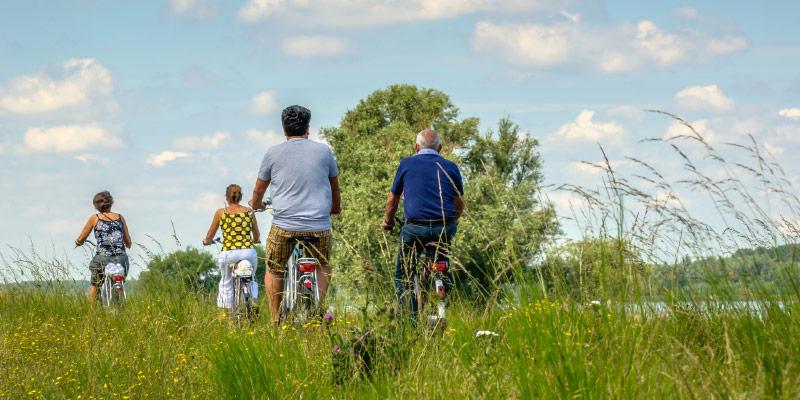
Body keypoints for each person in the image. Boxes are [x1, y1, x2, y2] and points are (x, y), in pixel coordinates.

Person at [249, 105, 341, 323]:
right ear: (307, 128)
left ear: (284, 130)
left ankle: (274, 320)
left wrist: (257, 204)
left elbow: (258, 189)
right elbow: (334, 186)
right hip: (319, 225)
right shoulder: (324, 151)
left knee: (274, 268)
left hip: (285, 226)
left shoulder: (272, 153)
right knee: (323, 264)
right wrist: (335, 208)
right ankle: (319, 308)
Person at [381, 129, 464, 314]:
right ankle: (442, 294)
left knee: (404, 274)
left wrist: (388, 221)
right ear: (440, 148)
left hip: (414, 228)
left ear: (416, 147)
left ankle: (409, 320)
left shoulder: (406, 164)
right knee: (441, 264)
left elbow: (392, 200)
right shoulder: (450, 167)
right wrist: (453, 223)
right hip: (443, 227)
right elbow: (459, 203)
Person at [203, 184, 261, 310]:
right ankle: (252, 299)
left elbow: (210, 235)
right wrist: (256, 240)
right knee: (252, 277)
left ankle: (228, 312)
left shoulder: (221, 213)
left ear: (227, 197)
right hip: (248, 252)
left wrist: (207, 241)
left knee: (226, 281)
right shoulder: (249, 212)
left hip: (229, 254)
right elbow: (256, 234)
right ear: (241, 197)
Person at [74, 191, 132, 307]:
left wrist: (78, 242)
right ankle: (120, 304)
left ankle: (93, 312)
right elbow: (128, 242)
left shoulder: (95, 218)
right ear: (111, 203)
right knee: (119, 279)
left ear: (96, 205)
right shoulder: (120, 218)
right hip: (121, 259)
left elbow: (81, 238)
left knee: (95, 284)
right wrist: (127, 244)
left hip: (102, 258)